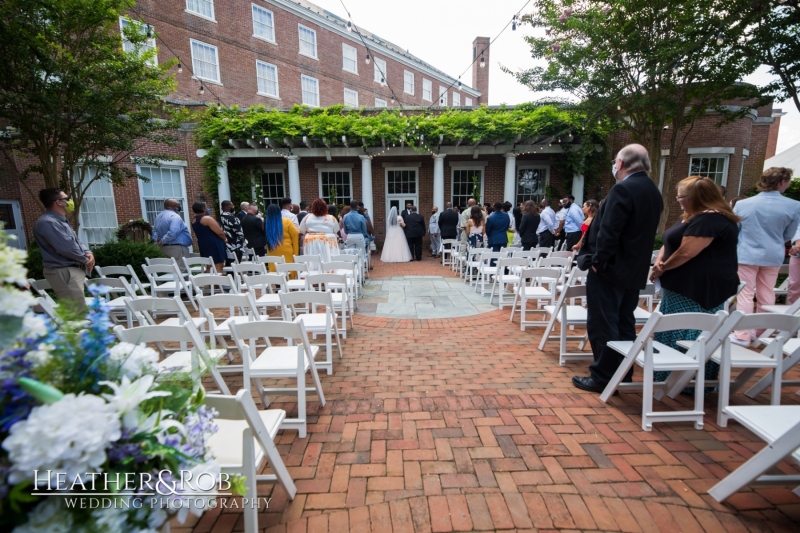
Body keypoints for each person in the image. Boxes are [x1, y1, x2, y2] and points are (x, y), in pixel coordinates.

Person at [572, 143, 663, 393]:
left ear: (620, 164)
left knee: (603, 323)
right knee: (624, 322)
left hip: (610, 270)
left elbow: (609, 231)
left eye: (615, 162)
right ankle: (623, 373)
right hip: (633, 271)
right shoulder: (653, 191)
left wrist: (598, 263)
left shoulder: (624, 189)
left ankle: (603, 375)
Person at [649, 176, 740, 384]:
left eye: (682, 197)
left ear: (699, 197)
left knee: (690, 330)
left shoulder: (711, 219)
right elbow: (670, 242)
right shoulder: (693, 216)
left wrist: (663, 269)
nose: (679, 200)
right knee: (672, 326)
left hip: (698, 288)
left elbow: (687, 252)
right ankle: (669, 376)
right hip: (681, 284)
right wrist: (660, 262)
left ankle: (685, 380)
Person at [732, 167, 800, 345]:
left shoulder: (742, 204)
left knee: (745, 294)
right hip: (773, 253)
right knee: (766, 292)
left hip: (746, 252)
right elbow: (789, 234)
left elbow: (736, 231)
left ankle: (742, 335)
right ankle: (760, 333)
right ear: (782, 182)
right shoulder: (794, 206)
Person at [33, 188, 94, 313]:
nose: (70, 201)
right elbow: (66, 248)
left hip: (70, 270)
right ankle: (80, 332)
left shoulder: (60, 220)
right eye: (67, 199)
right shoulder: (48, 222)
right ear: (58, 202)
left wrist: (88, 253)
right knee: (77, 313)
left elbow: (76, 241)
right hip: (63, 271)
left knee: (78, 310)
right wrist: (85, 260)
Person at [151, 198, 193, 267]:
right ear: (173, 206)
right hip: (177, 248)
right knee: (182, 271)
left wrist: (157, 239)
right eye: (178, 205)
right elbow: (173, 232)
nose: (179, 207)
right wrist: (162, 240)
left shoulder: (158, 216)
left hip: (164, 248)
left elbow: (154, 231)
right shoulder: (175, 216)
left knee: (171, 271)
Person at [299, 198, 341, 263]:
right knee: (328, 259)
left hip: (311, 242)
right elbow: (337, 231)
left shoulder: (307, 217)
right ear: (325, 207)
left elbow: (302, 231)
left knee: (312, 261)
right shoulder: (331, 218)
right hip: (328, 241)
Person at [191, 202, 228, 273]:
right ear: (203, 208)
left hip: (203, 244)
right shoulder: (207, 219)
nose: (208, 209)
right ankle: (217, 283)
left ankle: (208, 283)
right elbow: (219, 232)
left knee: (209, 265)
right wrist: (224, 238)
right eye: (206, 207)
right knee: (218, 265)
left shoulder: (194, 220)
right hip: (214, 244)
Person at [265, 203, 300, 268]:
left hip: (272, 249)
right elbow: (295, 234)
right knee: (288, 270)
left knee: (275, 271)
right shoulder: (287, 221)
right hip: (286, 249)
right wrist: (296, 253)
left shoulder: (266, 223)